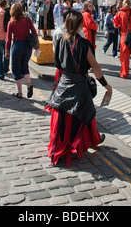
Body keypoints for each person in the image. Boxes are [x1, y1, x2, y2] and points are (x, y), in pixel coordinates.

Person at [45, 9, 112, 167]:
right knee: (85, 113)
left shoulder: (61, 41)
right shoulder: (84, 44)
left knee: (63, 117)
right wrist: (105, 84)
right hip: (79, 85)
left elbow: (57, 62)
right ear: (80, 24)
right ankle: (87, 141)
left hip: (64, 83)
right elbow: (95, 67)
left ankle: (64, 145)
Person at [5, 2, 38, 98]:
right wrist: (35, 45)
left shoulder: (11, 22)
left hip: (17, 46)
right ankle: (29, 83)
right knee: (25, 66)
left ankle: (20, 92)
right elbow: (35, 33)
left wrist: (7, 51)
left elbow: (8, 39)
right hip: (27, 46)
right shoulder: (28, 20)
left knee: (16, 68)